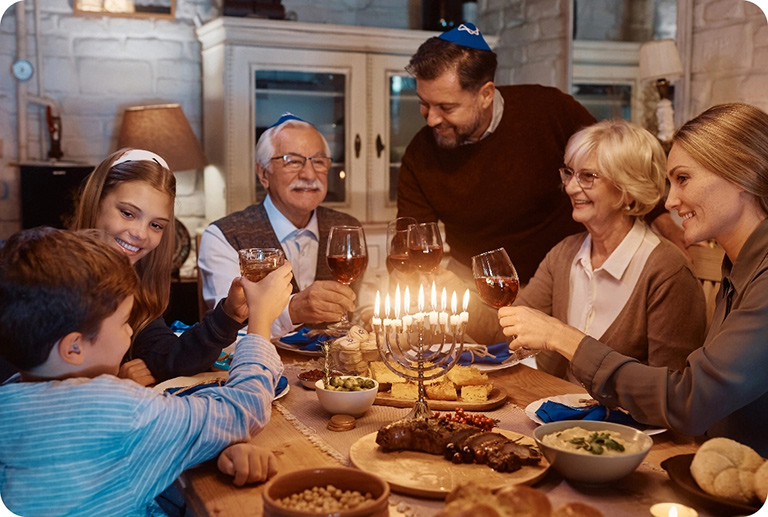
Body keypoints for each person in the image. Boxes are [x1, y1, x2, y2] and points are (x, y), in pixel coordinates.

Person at [498, 103, 768, 455]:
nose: (670, 202)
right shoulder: (737, 267)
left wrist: (564, 338)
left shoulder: (738, 273)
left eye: (683, 179)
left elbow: (686, 401)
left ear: (742, 174)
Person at [396, 23, 685, 343]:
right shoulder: (420, 154)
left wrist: (662, 219)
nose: (431, 118)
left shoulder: (547, 109)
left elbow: (614, 164)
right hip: (481, 295)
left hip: (568, 281)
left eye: (446, 107)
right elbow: (409, 242)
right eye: (424, 103)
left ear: (485, 94)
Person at [0, 226, 293, 516]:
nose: (130, 332)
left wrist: (206, 448)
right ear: (73, 348)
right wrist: (260, 324)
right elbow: (242, 411)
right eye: (124, 322)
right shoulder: (118, 410)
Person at [516, 119, 706, 381]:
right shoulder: (564, 254)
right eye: (569, 173)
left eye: (588, 176)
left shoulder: (666, 270)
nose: (570, 187)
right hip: (558, 414)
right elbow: (508, 332)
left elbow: (669, 391)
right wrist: (451, 289)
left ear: (628, 190)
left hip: (628, 423)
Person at [70, 148, 250, 386]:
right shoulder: (50, 279)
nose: (139, 234)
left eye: (155, 225)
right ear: (96, 201)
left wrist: (229, 315)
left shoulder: (135, 286)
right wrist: (111, 383)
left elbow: (166, 357)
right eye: (127, 213)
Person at [199, 114, 365, 337]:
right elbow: (228, 332)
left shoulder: (347, 228)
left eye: (318, 161)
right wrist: (293, 310)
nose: (309, 174)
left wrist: (370, 314)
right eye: (293, 161)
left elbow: (361, 304)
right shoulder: (224, 236)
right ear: (263, 173)